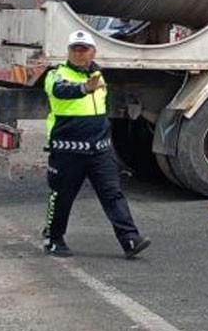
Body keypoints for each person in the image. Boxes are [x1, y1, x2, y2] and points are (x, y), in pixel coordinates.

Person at [41, 29, 150, 259]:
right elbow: (60, 91)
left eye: (84, 49)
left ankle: (130, 239)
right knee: (62, 197)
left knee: (113, 194)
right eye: (75, 49)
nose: (79, 54)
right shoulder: (56, 74)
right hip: (68, 150)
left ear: (93, 52)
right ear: (68, 52)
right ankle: (53, 239)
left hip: (99, 150)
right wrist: (84, 88)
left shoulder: (98, 76)